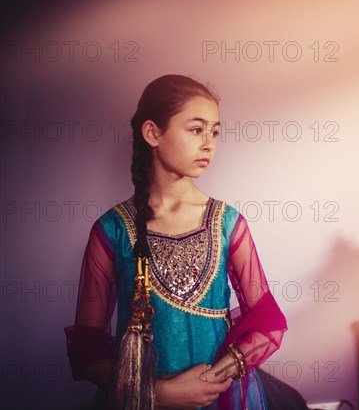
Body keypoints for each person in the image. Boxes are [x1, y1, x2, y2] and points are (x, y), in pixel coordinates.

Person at [65, 75, 288, 409]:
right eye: (196, 129)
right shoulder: (112, 230)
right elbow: (88, 349)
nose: (210, 143)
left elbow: (268, 323)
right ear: (153, 133)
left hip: (219, 398)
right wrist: (156, 393)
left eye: (215, 131)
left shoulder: (228, 223)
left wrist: (211, 381)